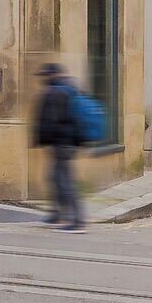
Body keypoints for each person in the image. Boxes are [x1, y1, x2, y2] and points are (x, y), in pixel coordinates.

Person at [30, 60, 104, 230]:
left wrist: (42, 140)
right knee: (55, 178)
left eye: (45, 75)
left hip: (62, 144)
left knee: (64, 181)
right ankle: (57, 214)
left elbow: (51, 121)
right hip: (69, 143)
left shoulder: (55, 93)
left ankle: (78, 220)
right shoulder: (71, 89)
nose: (43, 79)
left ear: (52, 75)